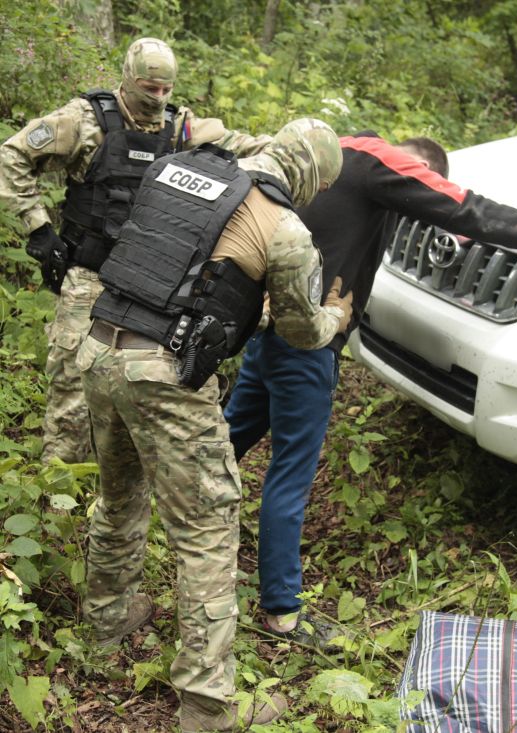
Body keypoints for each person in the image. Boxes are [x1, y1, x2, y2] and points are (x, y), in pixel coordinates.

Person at [223, 130, 517, 645]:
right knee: (290, 476)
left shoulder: (322, 151)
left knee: (226, 440)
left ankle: (165, 517)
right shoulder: (376, 161)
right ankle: (281, 613)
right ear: (416, 169)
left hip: (269, 328)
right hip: (308, 344)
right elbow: (459, 208)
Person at [75, 118, 351, 733]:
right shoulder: (286, 230)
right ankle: (207, 705)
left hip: (96, 347)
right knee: (207, 529)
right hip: (163, 377)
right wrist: (333, 316)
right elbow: (300, 332)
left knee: (118, 497)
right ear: (312, 176)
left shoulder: (188, 170)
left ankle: (105, 626)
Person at [0, 37, 273, 464]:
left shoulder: (181, 130)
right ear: (129, 80)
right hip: (90, 275)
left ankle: (114, 489)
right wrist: (38, 227)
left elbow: (250, 148)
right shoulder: (86, 121)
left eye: (166, 91)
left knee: (139, 388)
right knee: (72, 386)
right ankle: (57, 495)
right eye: (149, 88)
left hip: (151, 285)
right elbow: (12, 156)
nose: (157, 99)